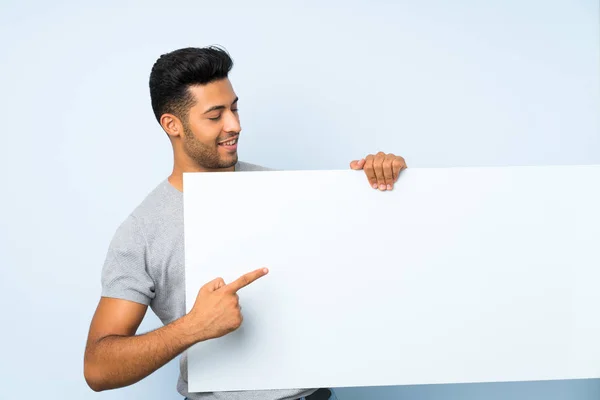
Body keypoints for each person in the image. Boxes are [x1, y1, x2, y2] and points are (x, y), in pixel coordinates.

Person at [83, 46, 408, 400]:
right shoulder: (142, 232)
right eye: (215, 115)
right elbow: (99, 369)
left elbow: (371, 265)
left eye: (235, 108)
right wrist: (192, 327)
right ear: (172, 124)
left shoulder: (289, 192)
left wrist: (385, 182)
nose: (234, 125)